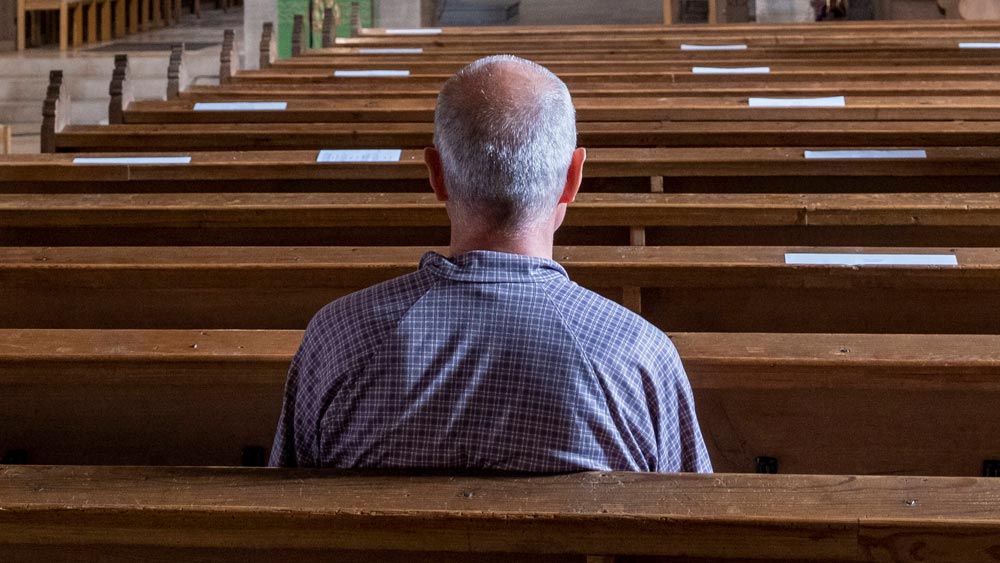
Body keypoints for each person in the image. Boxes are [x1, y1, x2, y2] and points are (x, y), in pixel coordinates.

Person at [269, 55, 712, 473]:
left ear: (436, 174)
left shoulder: (339, 338)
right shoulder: (637, 356)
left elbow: (283, 504)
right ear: (573, 177)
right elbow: (689, 514)